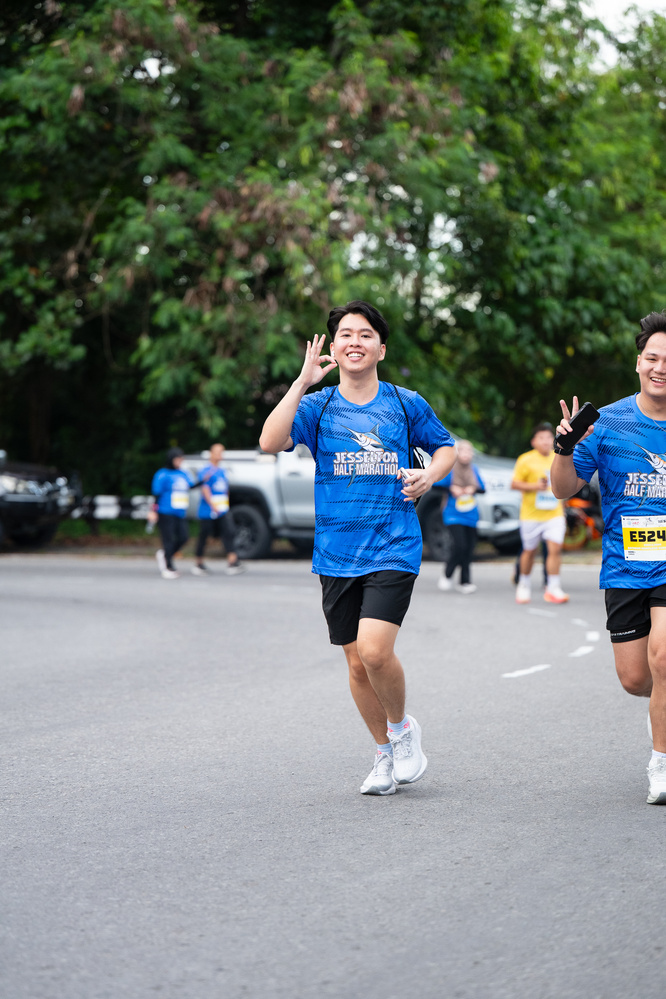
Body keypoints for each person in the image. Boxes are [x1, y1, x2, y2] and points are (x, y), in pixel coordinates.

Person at [259, 300, 456, 796]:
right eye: (346, 334)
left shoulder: (405, 403)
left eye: (365, 334)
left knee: (373, 650)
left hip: (393, 544)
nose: (354, 341)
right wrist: (301, 381)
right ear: (334, 346)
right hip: (336, 552)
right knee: (355, 663)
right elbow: (269, 442)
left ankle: (402, 731)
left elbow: (445, 446)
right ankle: (383, 754)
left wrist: (430, 475)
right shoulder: (318, 406)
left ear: (380, 349)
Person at [551, 311, 666, 806]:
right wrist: (564, 448)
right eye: (653, 357)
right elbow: (563, 489)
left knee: (665, 656)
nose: (660, 367)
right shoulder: (607, 423)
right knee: (637, 678)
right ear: (638, 362)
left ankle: (661, 763)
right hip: (625, 565)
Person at [511, 422, 569, 604]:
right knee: (529, 551)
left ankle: (553, 587)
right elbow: (514, 484)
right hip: (531, 515)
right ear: (533, 441)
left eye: (548, 437)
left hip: (554, 514)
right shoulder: (525, 459)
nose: (545, 441)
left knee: (555, 549)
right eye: (541, 438)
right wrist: (535, 486)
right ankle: (523, 584)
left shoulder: (559, 456)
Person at [436, 440, 485, 594]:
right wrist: (452, 488)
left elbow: (483, 488)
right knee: (459, 545)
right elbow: (436, 485)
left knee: (469, 548)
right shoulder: (450, 469)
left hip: (470, 514)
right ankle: (448, 573)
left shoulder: (474, 469)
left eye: (469, 451)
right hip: (453, 514)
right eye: (463, 451)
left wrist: (472, 488)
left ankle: (465, 581)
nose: (466, 455)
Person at [192, 443, 245, 576]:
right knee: (204, 535)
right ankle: (199, 562)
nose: (220, 455)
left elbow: (224, 489)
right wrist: (212, 504)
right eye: (217, 452)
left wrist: (225, 503)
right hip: (208, 510)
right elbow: (205, 488)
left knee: (228, 531)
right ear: (211, 454)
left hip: (222, 509)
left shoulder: (222, 471)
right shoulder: (206, 470)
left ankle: (232, 561)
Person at [151, 447, 194, 580]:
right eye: (177, 459)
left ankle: (165, 555)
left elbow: (191, 486)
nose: (180, 461)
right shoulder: (162, 474)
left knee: (184, 537)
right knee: (168, 540)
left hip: (179, 512)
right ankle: (168, 566)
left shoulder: (183, 473)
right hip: (165, 511)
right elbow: (156, 494)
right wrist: (153, 511)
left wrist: (204, 480)